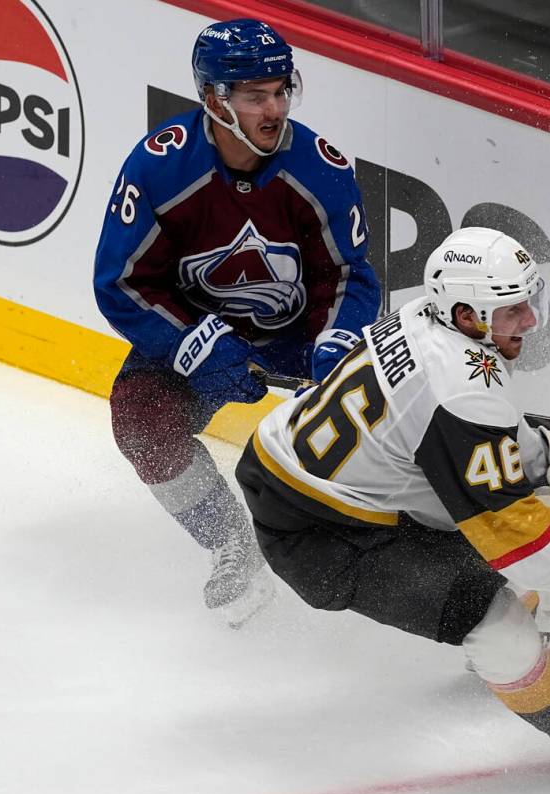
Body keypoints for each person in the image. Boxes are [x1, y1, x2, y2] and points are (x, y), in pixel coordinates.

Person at [236, 227, 550, 785]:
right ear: (470, 315)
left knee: (493, 526)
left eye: (530, 301)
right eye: (515, 309)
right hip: (319, 532)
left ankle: (515, 654)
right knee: (490, 611)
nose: (532, 321)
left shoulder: (431, 316)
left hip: (335, 480)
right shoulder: (460, 385)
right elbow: (529, 548)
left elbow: (487, 430)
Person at [93, 18, 381, 627]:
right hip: (199, 335)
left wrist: (335, 347)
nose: (273, 109)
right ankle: (234, 543)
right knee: (142, 422)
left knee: (380, 437)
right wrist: (193, 344)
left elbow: (349, 277)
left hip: (302, 338)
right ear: (212, 98)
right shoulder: (158, 171)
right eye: (255, 96)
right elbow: (121, 283)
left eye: (281, 91)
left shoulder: (320, 171)